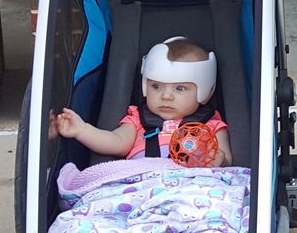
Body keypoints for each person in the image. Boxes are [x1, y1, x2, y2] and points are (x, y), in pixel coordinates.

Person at [54, 37, 232, 167]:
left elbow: (227, 160)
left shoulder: (211, 124)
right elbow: (116, 142)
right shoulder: (138, 119)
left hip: (192, 185)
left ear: (204, 90)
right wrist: (82, 130)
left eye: (180, 88)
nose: (166, 96)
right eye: (157, 86)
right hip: (143, 183)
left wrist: (218, 160)